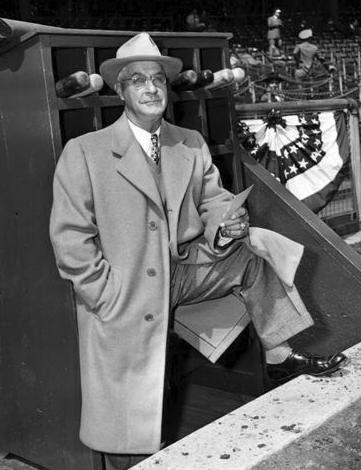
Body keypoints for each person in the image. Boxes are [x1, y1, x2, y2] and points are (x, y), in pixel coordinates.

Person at [49, 32, 347, 470]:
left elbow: (213, 201)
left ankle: (279, 356)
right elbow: (70, 238)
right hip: (124, 293)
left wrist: (226, 225)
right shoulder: (85, 152)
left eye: (158, 80)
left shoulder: (188, 141)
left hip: (183, 273)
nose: (151, 89)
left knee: (252, 253)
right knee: (127, 426)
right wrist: (104, 295)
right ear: (120, 90)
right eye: (137, 81)